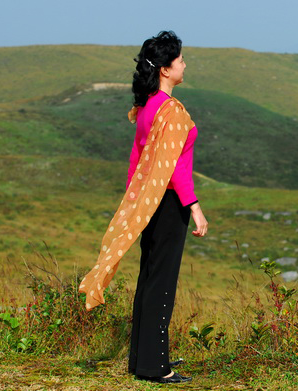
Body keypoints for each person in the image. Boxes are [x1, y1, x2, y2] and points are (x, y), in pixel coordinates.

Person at [78, 30, 208, 384]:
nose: (184, 65)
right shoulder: (171, 111)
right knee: (162, 281)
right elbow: (177, 169)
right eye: (180, 60)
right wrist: (194, 207)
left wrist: (134, 203)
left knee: (149, 276)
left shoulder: (148, 106)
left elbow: (136, 159)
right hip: (168, 203)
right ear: (165, 69)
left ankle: (143, 359)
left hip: (148, 203)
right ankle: (155, 367)